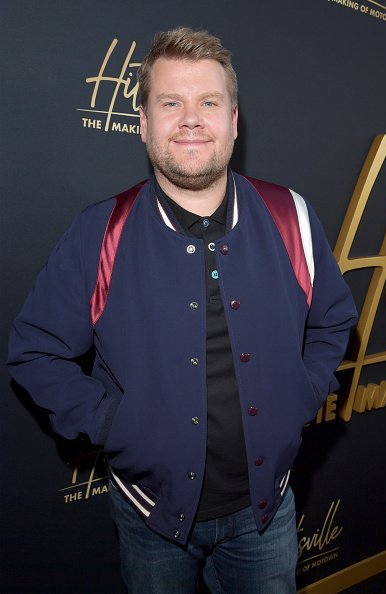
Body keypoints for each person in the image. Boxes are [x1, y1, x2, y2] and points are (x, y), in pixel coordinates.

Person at [8, 27, 357, 594]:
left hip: (266, 517)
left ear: (234, 122)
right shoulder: (100, 232)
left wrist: (302, 390)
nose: (191, 118)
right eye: (171, 103)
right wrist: (112, 425)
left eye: (208, 103)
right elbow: (35, 352)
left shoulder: (291, 216)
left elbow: (335, 320)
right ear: (143, 123)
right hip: (151, 522)